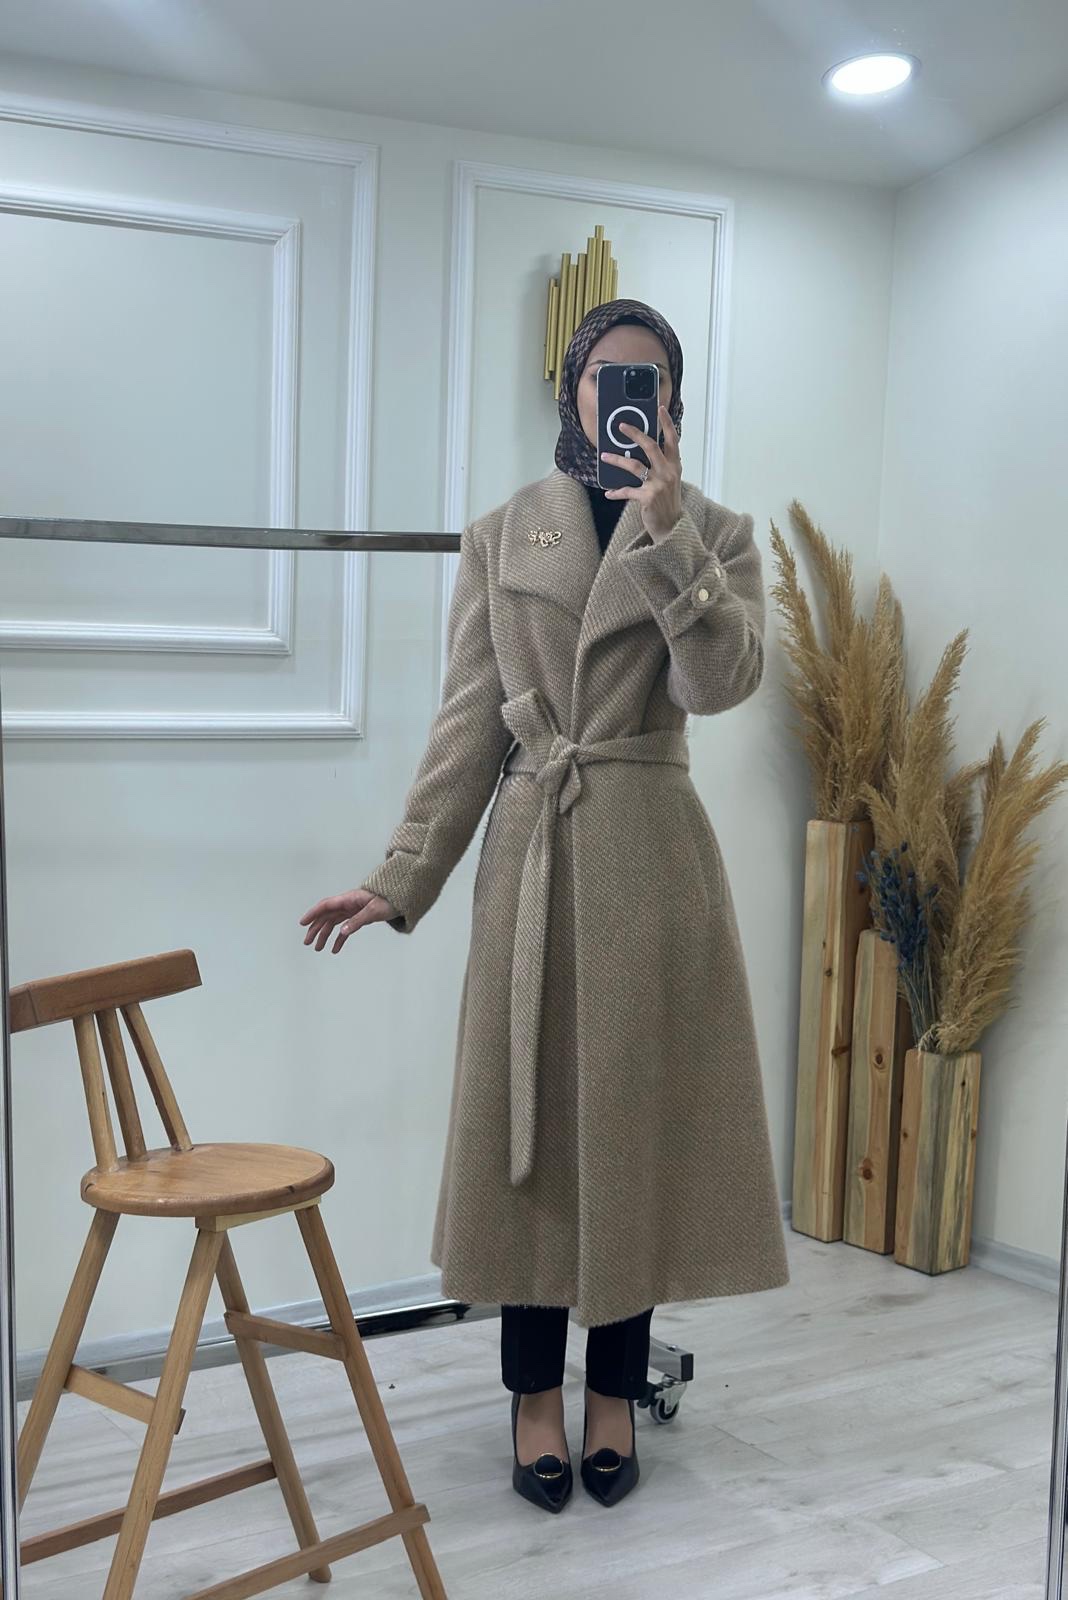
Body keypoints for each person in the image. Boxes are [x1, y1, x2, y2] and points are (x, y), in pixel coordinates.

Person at [300, 298, 790, 1513]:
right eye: (605, 375)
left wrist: (669, 535)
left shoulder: (719, 532)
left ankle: (612, 1389)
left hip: (651, 864)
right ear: (569, 391)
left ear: (675, 401)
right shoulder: (500, 535)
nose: (627, 397)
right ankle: (532, 1394)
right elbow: (471, 724)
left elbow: (721, 683)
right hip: (535, 857)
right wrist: (401, 872)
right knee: (526, 1142)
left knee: (630, 1137)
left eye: (651, 379)